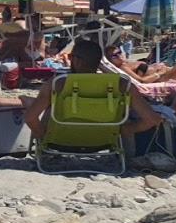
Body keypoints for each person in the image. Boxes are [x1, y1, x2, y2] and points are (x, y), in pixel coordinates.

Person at [26, 37, 162, 145]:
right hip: (104, 141)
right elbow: (152, 119)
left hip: (58, 139)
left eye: (71, 57)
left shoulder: (57, 84)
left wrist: (45, 137)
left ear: (76, 60)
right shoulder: (121, 85)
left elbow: (30, 118)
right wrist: (124, 131)